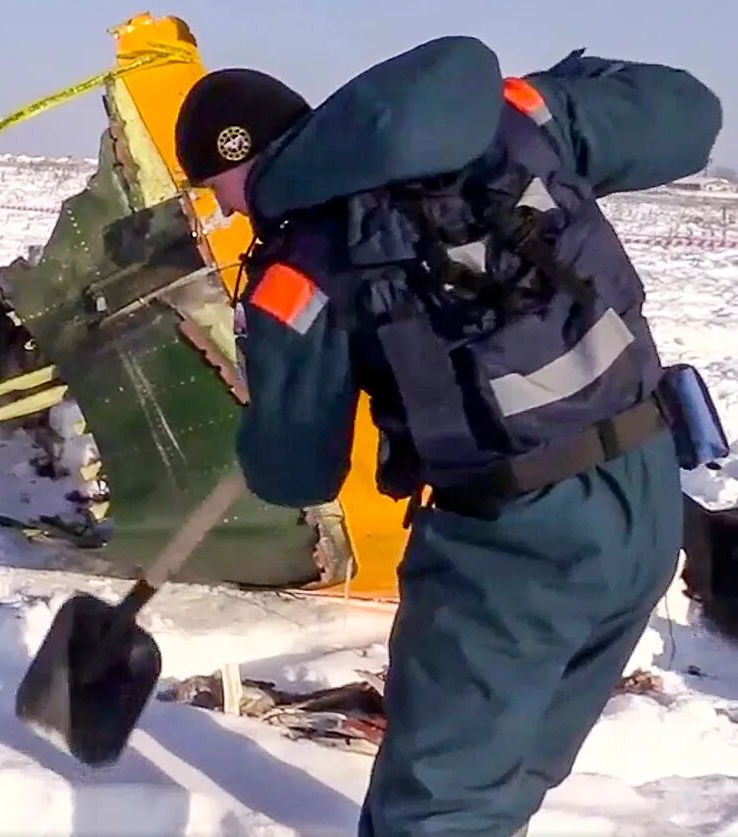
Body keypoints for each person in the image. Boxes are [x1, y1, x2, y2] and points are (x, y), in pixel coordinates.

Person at [172, 38, 720, 835]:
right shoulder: (512, 120)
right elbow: (693, 117)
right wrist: (565, 89)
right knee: (510, 775)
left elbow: (296, 473)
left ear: (243, 159)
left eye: (215, 189)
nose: (223, 211)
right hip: (645, 500)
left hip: (511, 550)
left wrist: (278, 385)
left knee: (440, 811)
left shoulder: (299, 267)